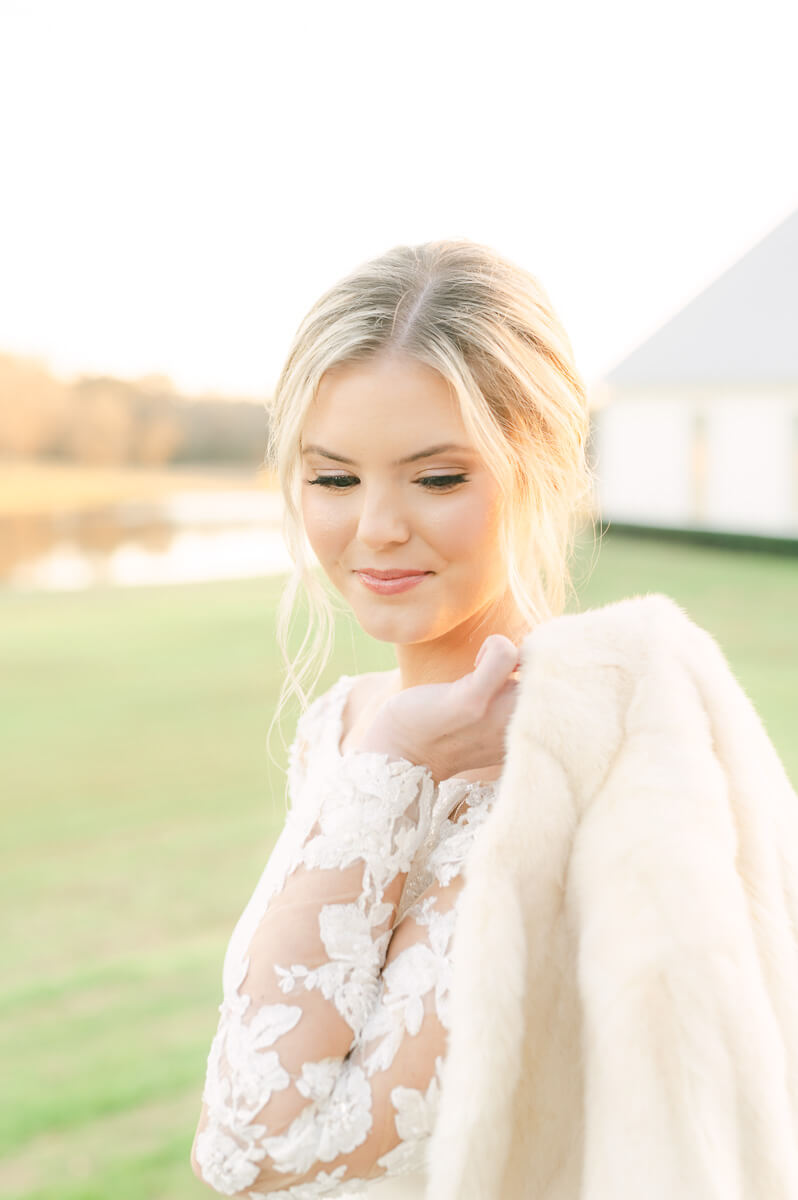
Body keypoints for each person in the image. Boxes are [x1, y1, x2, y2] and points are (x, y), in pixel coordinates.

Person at [191, 239, 595, 1197]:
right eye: (334, 478)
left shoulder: (576, 756)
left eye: (438, 477)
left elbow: (257, 1150)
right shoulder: (344, 722)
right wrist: (385, 750)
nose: (375, 526)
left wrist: (393, 759)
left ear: (540, 468)